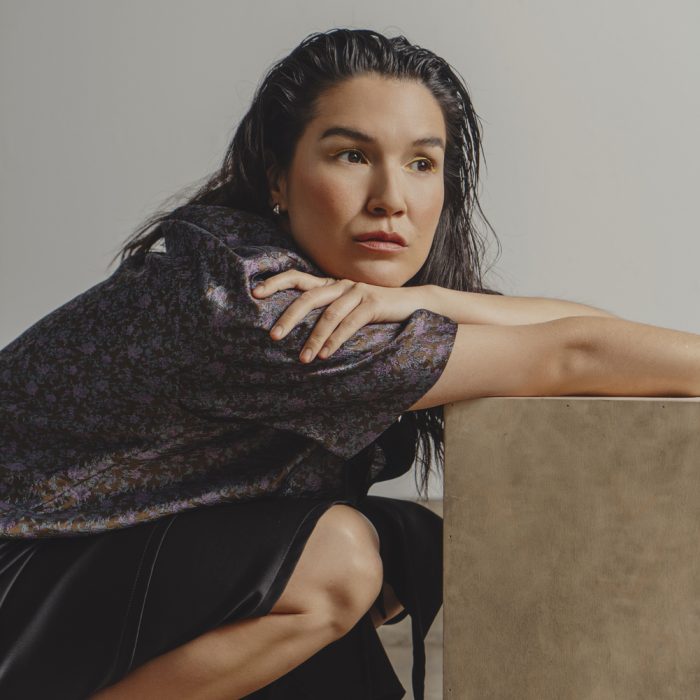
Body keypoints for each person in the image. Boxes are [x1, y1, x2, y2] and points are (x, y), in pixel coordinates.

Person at [1, 26, 699, 700]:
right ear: (278, 177)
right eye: (352, 155)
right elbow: (576, 352)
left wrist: (432, 297)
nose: (391, 199)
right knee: (336, 559)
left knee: (415, 545)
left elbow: (591, 334)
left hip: (87, 554)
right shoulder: (269, 307)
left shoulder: (338, 292)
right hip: (18, 568)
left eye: (421, 164)